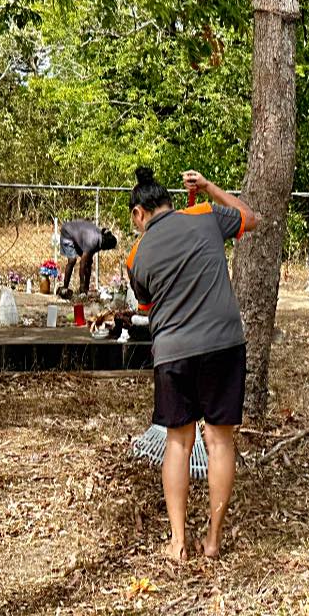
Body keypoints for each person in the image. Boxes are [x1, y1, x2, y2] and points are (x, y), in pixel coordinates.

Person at [126, 166, 259, 561]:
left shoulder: (136, 257)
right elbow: (251, 217)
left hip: (174, 352)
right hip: (223, 345)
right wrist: (209, 188)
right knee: (220, 440)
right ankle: (214, 541)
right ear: (170, 200)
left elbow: (148, 307)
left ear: (139, 213)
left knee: (178, 442)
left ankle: (178, 541)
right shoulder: (204, 214)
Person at [58, 219, 118, 297]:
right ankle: (65, 287)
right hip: (68, 232)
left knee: (88, 262)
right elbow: (82, 264)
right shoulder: (94, 241)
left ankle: (85, 288)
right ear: (106, 245)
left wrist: (87, 287)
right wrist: (82, 286)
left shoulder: (100, 240)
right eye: (107, 249)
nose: (106, 250)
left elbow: (88, 263)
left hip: (78, 236)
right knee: (72, 260)